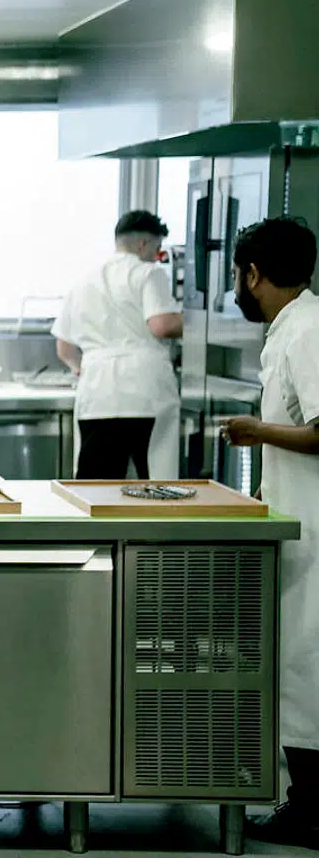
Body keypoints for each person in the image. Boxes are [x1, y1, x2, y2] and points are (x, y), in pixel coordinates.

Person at [218, 217, 319, 848]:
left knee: (305, 668)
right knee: (296, 665)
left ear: (253, 273)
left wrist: (254, 431)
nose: (239, 286)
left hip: (315, 536)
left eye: (239, 275)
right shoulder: (295, 328)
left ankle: (311, 811)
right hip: (295, 527)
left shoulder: (308, 331)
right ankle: (304, 803)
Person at [53, 209, 183, 478]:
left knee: (98, 487)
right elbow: (160, 324)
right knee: (153, 482)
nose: (156, 257)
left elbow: (64, 348)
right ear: (143, 244)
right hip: (145, 393)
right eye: (157, 249)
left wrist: (80, 368)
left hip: (97, 394)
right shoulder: (148, 273)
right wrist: (201, 322)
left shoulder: (83, 281)